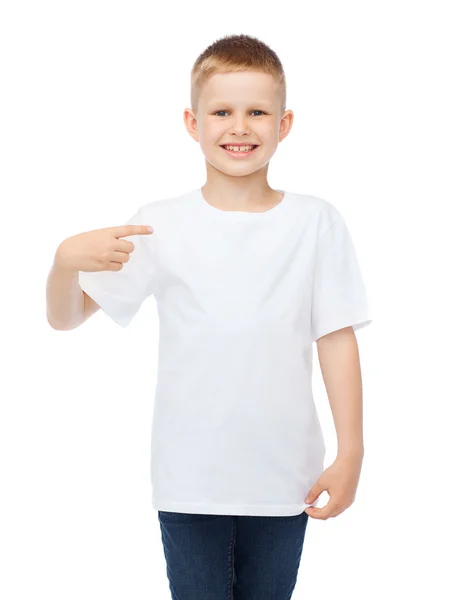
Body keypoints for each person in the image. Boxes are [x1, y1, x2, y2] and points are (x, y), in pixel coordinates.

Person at [46, 33, 372, 600]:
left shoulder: (316, 222)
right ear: (193, 123)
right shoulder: (158, 224)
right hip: (189, 481)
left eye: (257, 112)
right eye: (222, 111)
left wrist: (353, 451)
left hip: (284, 480)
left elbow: (336, 339)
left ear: (284, 122)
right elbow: (66, 318)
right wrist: (62, 263)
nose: (239, 127)